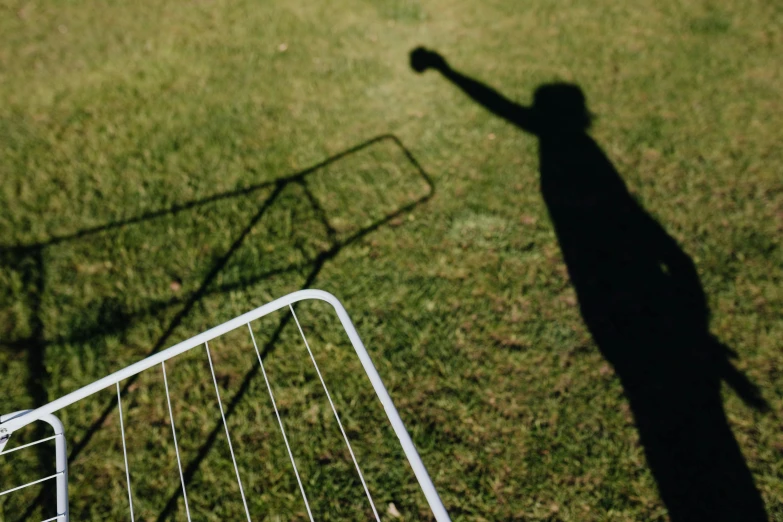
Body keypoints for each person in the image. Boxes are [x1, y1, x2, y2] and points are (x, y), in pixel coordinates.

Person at [410, 47, 768, 521]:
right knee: (674, 409)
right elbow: (501, 106)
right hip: (627, 293)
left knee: (665, 410)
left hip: (618, 294)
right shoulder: (565, 142)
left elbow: (635, 220)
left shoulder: (567, 147)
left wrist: (446, 70)